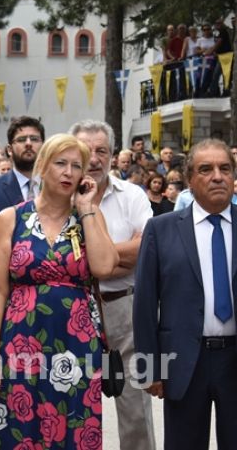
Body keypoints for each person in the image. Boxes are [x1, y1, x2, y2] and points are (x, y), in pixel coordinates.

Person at [0, 134, 118, 449]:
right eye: (60, 163)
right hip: (18, 341)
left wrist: (86, 208)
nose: (69, 172)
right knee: (16, 429)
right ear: (42, 165)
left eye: (76, 166)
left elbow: (104, 267)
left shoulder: (88, 218)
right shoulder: (11, 217)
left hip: (77, 343)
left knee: (73, 427)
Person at [134, 139, 237, 450]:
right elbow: (144, 302)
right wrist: (149, 366)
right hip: (183, 362)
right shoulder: (161, 229)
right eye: (206, 169)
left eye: (225, 168)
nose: (218, 176)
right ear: (190, 178)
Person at [70, 119, 156, 450]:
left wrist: (91, 260)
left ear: (112, 154)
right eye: (85, 150)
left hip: (125, 307)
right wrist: (114, 258)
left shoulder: (132, 194)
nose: (93, 159)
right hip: (75, 309)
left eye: (101, 151)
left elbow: (145, 251)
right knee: (73, 403)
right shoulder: (61, 198)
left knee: (135, 407)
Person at [0, 116, 45, 235]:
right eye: (21, 139)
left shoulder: (57, 186)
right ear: (9, 150)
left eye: (34, 139)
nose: (28, 144)